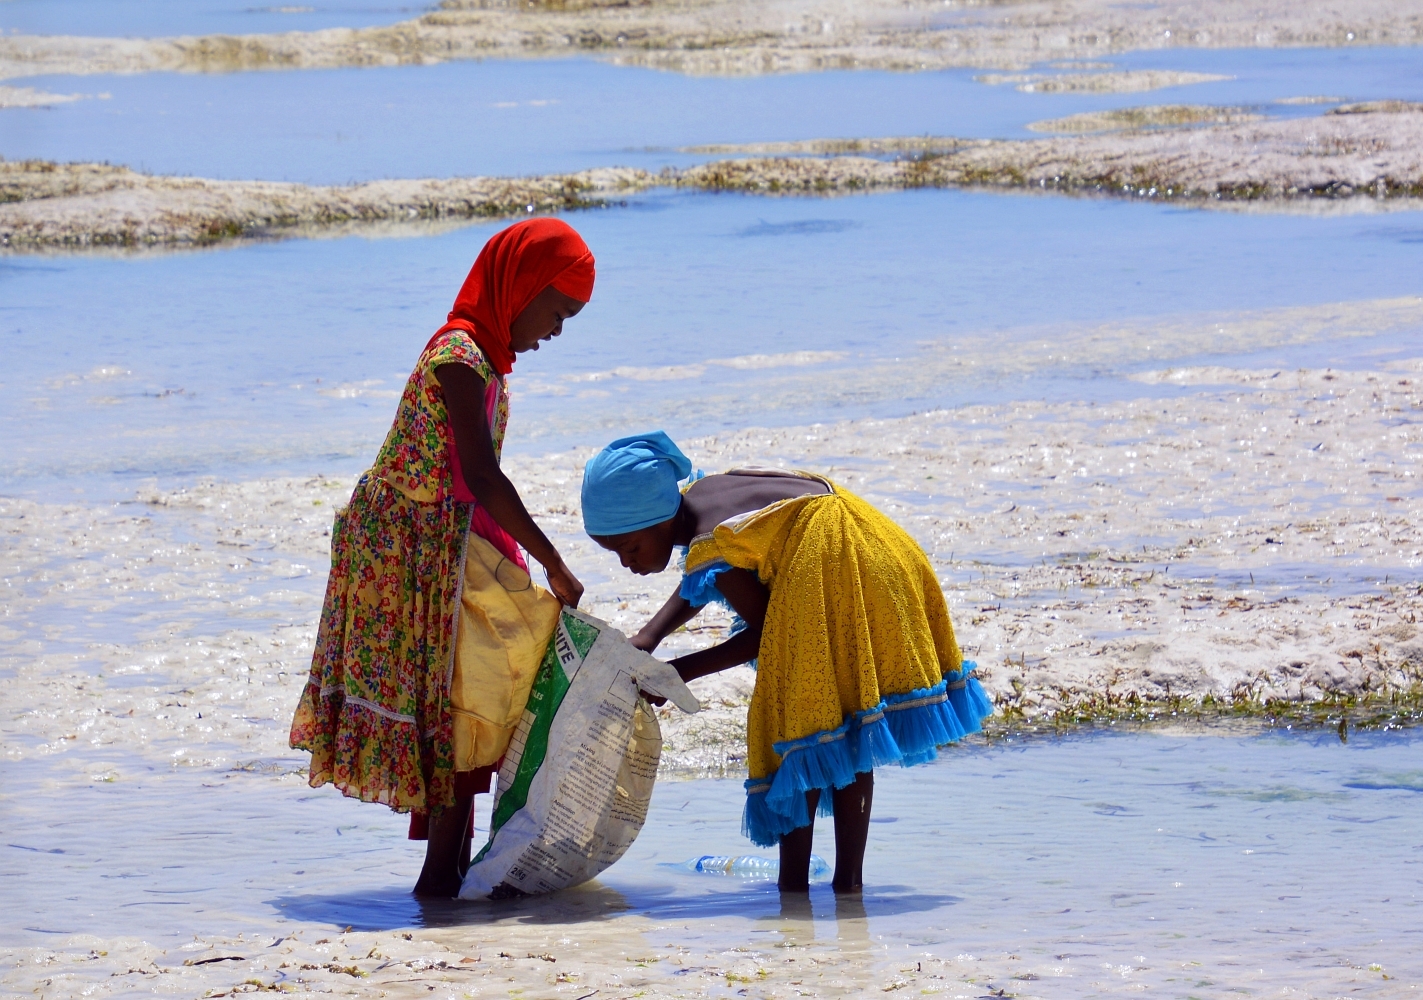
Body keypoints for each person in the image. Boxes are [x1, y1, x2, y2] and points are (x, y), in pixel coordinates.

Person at [289, 218, 594, 897]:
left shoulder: (486, 362)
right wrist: (550, 562)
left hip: (452, 546)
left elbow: (474, 483)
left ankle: (448, 878)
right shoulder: (459, 358)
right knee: (462, 704)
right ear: (521, 287)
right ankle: (439, 880)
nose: (557, 331)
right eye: (558, 311)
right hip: (410, 554)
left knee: (475, 698)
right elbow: (483, 476)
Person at [579, 431, 991, 894]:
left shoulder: (708, 536)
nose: (626, 564)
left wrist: (679, 674)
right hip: (877, 549)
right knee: (848, 723)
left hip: (836, 566)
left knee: (801, 727)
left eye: (630, 549)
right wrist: (652, 635)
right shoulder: (703, 496)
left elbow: (764, 637)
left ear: (657, 518)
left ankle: (795, 890)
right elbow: (714, 567)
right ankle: (847, 887)